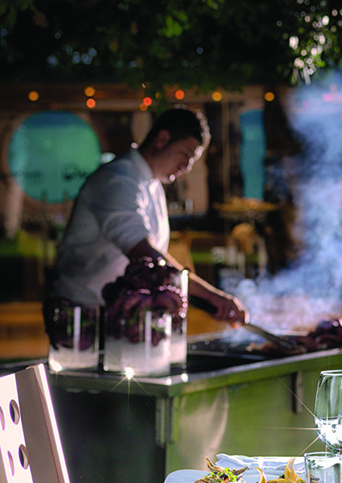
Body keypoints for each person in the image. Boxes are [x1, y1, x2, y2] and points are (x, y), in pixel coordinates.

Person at [51, 106, 248, 323]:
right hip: (84, 313)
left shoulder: (152, 184)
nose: (187, 167)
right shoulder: (117, 180)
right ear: (162, 139)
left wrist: (203, 300)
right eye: (185, 154)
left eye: (192, 160)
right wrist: (211, 296)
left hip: (122, 314)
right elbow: (145, 255)